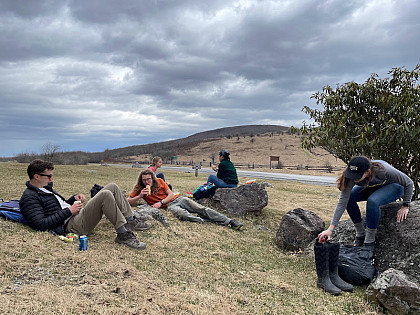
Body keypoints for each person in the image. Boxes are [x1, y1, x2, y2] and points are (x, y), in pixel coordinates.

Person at [19, 159, 150, 250]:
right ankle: (123, 235)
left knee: (112, 187)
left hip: (76, 216)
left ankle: (131, 220)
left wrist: (72, 199)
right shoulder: (29, 197)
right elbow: (40, 224)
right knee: (105, 195)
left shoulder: (44, 187)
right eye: (49, 176)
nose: (51, 179)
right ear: (36, 176)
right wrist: (70, 211)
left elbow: (57, 205)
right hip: (71, 226)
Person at [318, 156, 414, 251]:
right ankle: (360, 233)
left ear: (367, 171)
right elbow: (342, 203)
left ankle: (370, 241)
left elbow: (408, 182)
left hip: (395, 186)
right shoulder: (351, 176)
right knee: (349, 198)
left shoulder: (383, 170)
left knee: (373, 201)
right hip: (372, 186)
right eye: (352, 175)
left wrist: (405, 205)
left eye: (357, 176)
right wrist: (330, 229)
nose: (354, 179)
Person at [127, 169, 243, 229]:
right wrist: (140, 196)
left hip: (178, 199)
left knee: (200, 208)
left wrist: (160, 202)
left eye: (148, 179)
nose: (147, 182)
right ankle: (212, 221)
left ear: (152, 178)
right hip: (169, 207)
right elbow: (128, 201)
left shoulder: (160, 182)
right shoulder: (140, 189)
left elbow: (171, 195)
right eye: (144, 180)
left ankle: (229, 221)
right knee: (184, 215)